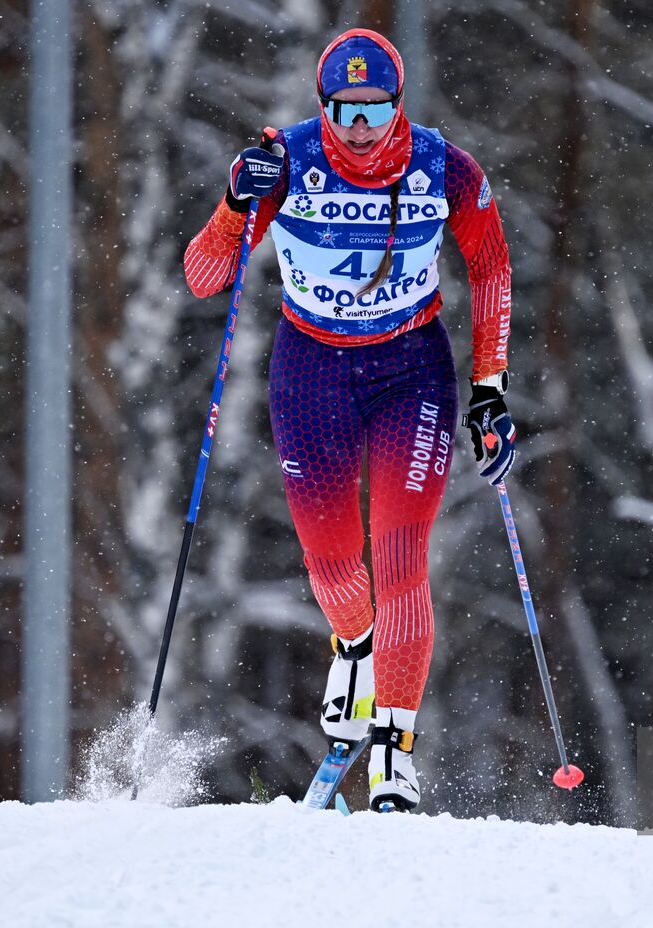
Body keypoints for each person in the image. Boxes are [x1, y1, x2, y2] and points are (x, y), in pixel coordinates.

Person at [182, 28, 517, 812]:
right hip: (312, 372)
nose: (359, 129)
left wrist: (491, 388)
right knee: (334, 565)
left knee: (400, 555)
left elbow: (492, 263)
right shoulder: (285, 162)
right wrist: (237, 201)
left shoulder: (445, 167)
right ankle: (357, 645)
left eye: (374, 111)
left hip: (412, 373)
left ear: (398, 103)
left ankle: (395, 748)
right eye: (343, 111)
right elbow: (203, 277)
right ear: (322, 107)